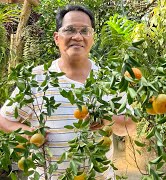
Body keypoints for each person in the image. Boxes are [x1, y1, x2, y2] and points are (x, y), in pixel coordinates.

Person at [0, 5, 135, 180]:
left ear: (92, 38)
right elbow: (4, 119)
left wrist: (108, 119)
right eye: (69, 30)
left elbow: (130, 126)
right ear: (57, 38)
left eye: (85, 31)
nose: (77, 37)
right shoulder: (36, 78)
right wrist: (26, 132)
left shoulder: (110, 79)